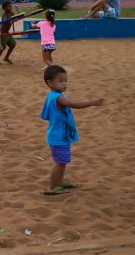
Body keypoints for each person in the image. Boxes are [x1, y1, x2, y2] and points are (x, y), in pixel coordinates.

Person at [40, 65, 104, 196]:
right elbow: (73, 104)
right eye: (61, 81)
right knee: (60, 162)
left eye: (66, 81)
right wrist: (92, 102)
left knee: (62, 161)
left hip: (60, 135)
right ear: (50, 83)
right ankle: (53, 186)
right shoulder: (57, 97)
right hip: (58, 137)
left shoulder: (54, 95)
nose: (64, 84)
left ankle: (60, 181)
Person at [0, 0, 17, 65]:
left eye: (11, 6)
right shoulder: (4, 14)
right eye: (9, 6)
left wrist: (15, 19)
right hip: (2, 33)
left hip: (7, 32)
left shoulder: (11, 13)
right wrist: (10, 21)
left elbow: (14, 18)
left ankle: (6, 57)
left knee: (13, 44)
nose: (11, 7)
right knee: (2, 48)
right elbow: (5, 20)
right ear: (4, 8)